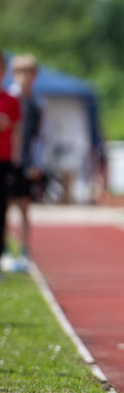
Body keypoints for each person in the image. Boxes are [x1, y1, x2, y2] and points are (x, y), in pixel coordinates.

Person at [6, 54, 46, 271]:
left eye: (28, 72)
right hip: (7, 159)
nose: (23, 77)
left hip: (27, 161)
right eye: (19, 72)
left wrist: (37, 162)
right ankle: (4, 250)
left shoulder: (38, 102)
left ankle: (23, 251)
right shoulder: (8, 97)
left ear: (35, 75)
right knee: (4, 206)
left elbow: (42, 135)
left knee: (24, 206)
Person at [0, 51, 22, 274]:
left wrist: (16, 159)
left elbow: (16, 130)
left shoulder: (11, 100)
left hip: (5, 160)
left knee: (3, 209)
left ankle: (2, 253)